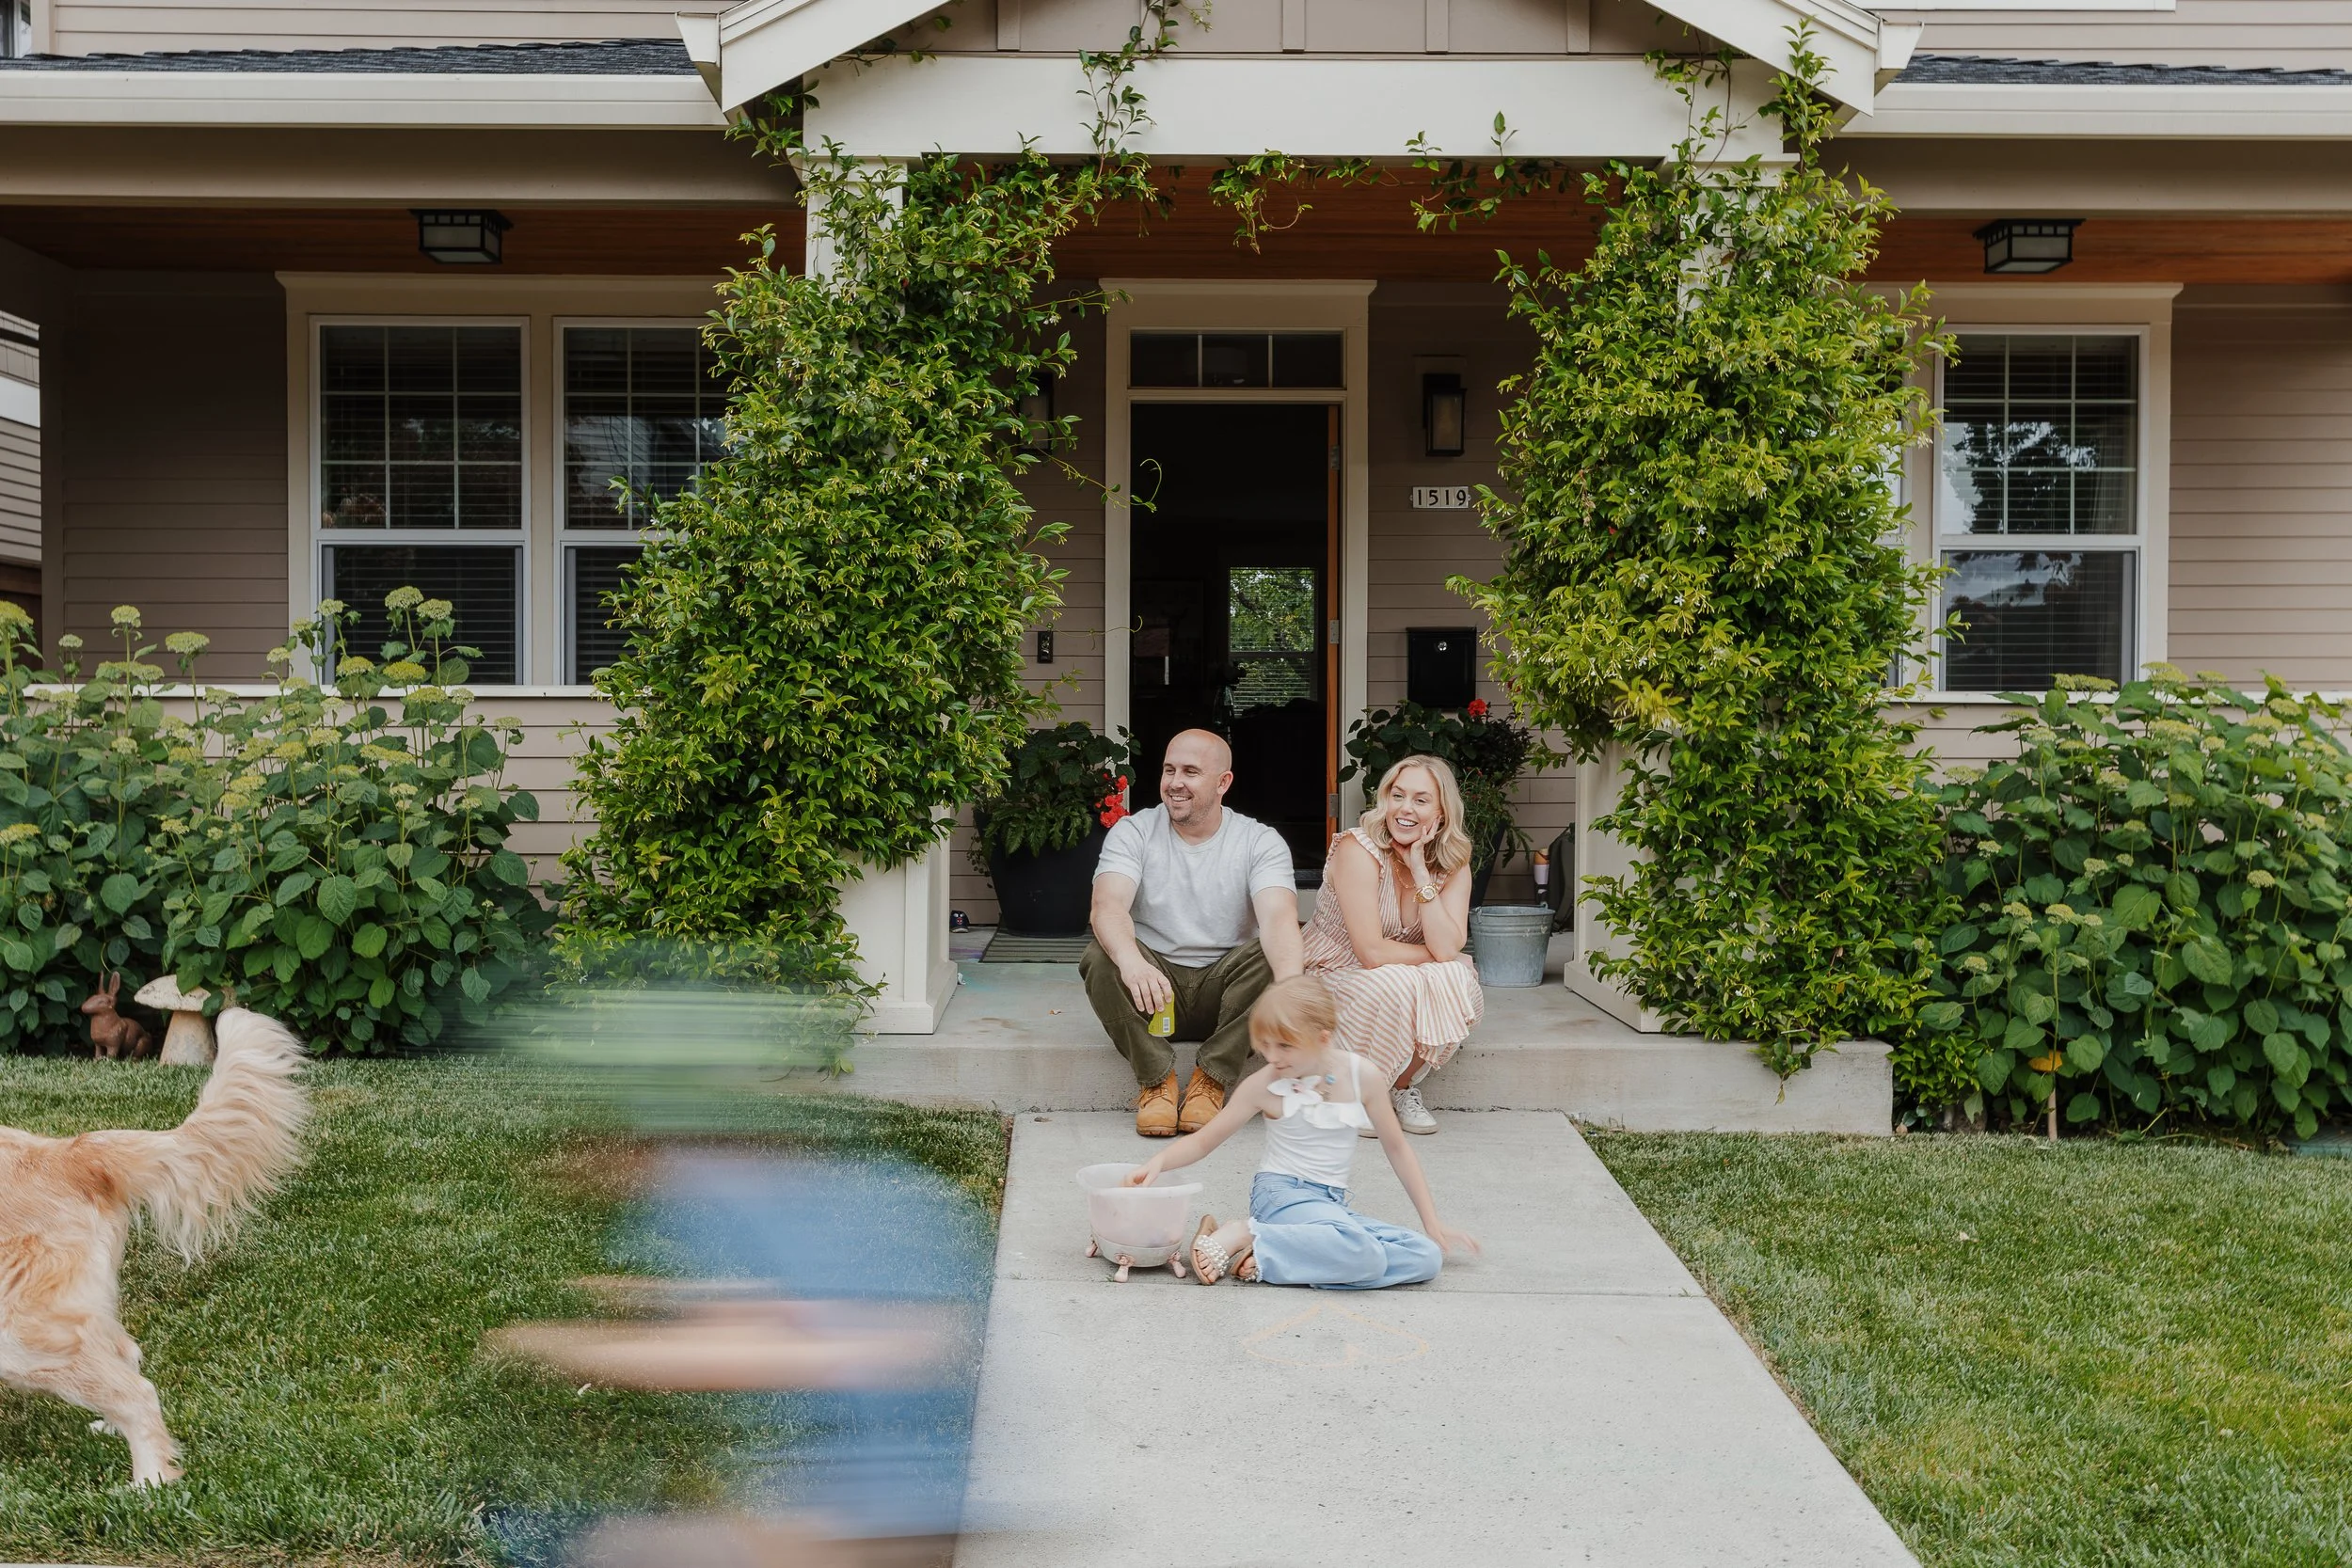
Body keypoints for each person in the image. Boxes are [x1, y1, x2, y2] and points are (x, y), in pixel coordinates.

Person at [1122, 974, 1478, 1290]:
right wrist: (1158, 1162)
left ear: (1322, 1039)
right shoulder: (1264, 1085)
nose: (1272, 1057)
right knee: (1364, 1252)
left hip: (1328, 1206)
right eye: (1265, 1045)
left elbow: (1398, 1149)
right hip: (1281, 1196)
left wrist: (1432, 1222)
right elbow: (1204, 1140)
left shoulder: (1363, 1076)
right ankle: (1246, 1232)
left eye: (1285, 1046)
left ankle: (1271, 1255)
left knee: (1426, 1257)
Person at [1083, 728, 1303, 1139]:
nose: (1175, 783)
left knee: (1279, 959)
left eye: (1190, 772)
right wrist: (1131, 963)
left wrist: (1292, 996)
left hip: (1227, 989)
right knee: (1100, 955)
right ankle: (1156, 1081)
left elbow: (1278, 920)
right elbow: (1107, 907)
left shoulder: (1259, 841)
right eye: (1169, 770)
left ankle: (1211, 1079)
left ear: (1223, 783)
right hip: (1153, 986)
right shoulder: (1134, 832)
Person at [1300, 753, 1484, 1136]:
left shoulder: (1452, 862)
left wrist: (1420, 872)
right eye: (1397, 795)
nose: (1404, 809)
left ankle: (1399, 1088)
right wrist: (1440, 958)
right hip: (1334, 970)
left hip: (1395, 973)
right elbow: (1371, 952)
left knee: (1458, 981)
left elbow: (1448, 946)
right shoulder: (1358, 849)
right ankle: (1357, 1093)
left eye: (1420, 800)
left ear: (1442, 811)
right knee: (1405, 980)